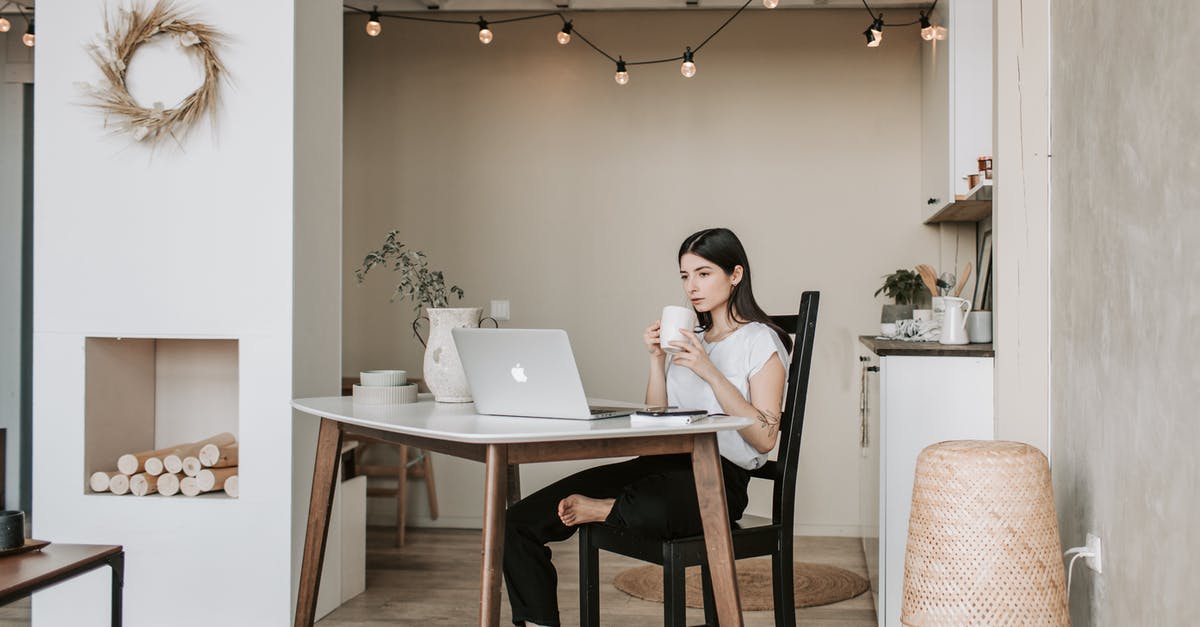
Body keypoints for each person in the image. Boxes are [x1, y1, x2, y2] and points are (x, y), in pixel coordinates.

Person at [503, 227, 792, 627]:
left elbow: (764, 437)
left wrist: (709, 371)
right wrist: (657, 361)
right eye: (684, 276)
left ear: (736, 274)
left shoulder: (761, 341)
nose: (692, 286)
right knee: (519, 521)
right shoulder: (693, 339)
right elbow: (658, 422)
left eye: (704, 273)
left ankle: (606, 510)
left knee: (656, 504)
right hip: (659, 465)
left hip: (720, 478)